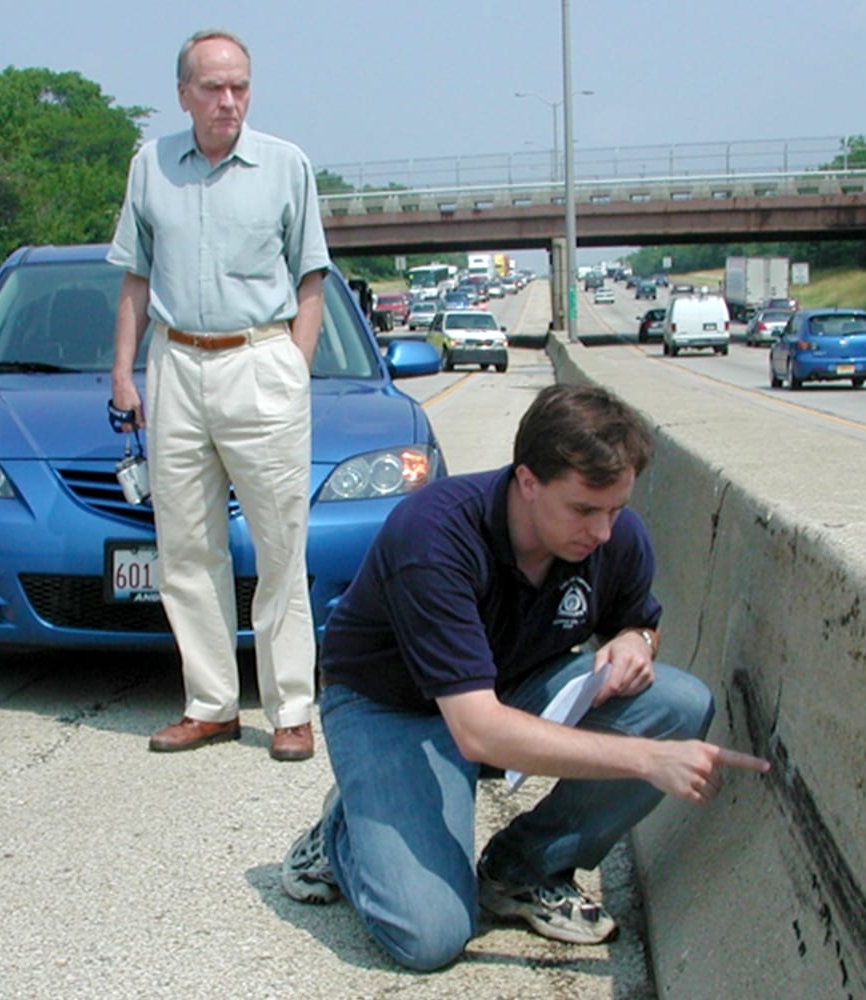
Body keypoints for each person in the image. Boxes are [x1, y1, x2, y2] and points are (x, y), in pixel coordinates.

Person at [279, 383, 772, 971]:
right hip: (392, 706)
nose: (603, 532)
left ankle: (521, 870)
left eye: (616, 509)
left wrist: (633, 642)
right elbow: (480, 733)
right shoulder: (434, 537)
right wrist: (646, 760)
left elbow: (641, 622)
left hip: (511, 683)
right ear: (528, 480)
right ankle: (348, 827)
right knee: (429, 936)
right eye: (585, 510)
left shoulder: (614, 539)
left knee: (677, 703)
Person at [107, 29, 331, 762]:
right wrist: (124, 373)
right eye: (212, 87)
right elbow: (135, 280)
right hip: (175, 364)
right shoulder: (150, 166)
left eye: (238, 85)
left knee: (278, 546)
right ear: (183, 94)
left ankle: (290, 707)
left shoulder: (285, 165)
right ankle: (210, 704)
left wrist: (292, 366)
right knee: (185, 548)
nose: (227, 100)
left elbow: (311, 279)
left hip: (259, 360)